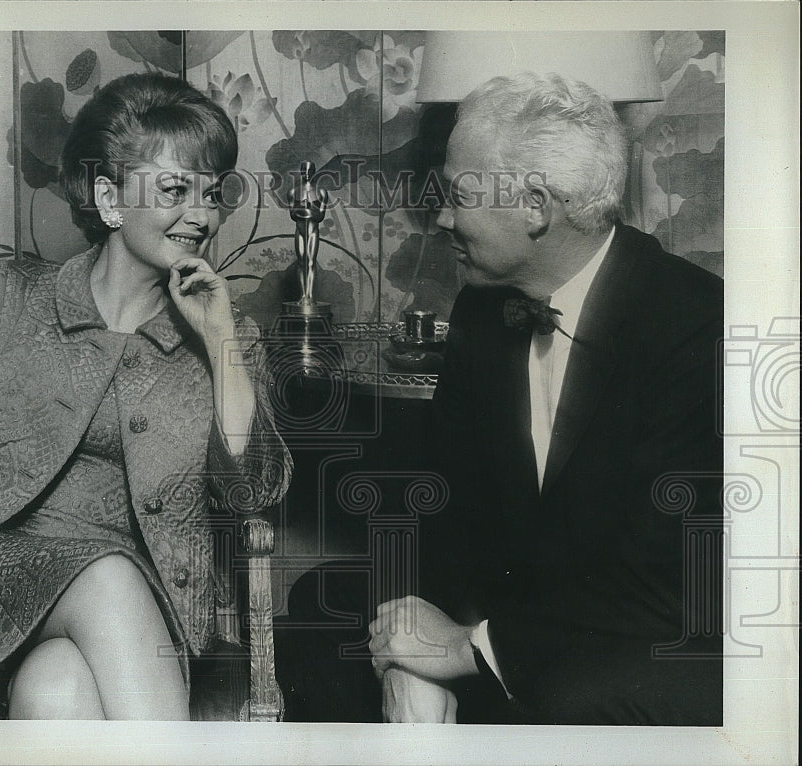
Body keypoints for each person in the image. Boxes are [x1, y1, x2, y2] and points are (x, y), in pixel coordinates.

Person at [0, 72, 291, 720]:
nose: (203, 214)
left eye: (213, 193)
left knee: (56, 689)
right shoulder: (10, 304)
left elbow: (255, 491)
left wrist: (221, 342)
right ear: (109, 198)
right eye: (174, 189)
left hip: (144, 611)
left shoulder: (227, 333)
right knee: (104, 573)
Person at [276, 71, 723, 725]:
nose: (443, 217)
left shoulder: (696, 328)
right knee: (324, 605)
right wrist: (412, 658)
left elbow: (666, 593)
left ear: (536, 207)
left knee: (572, 698)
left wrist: (469, 649)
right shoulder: (483, 310)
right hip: (524, 608)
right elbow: (449, 511)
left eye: (458, 195)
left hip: (655, 636)